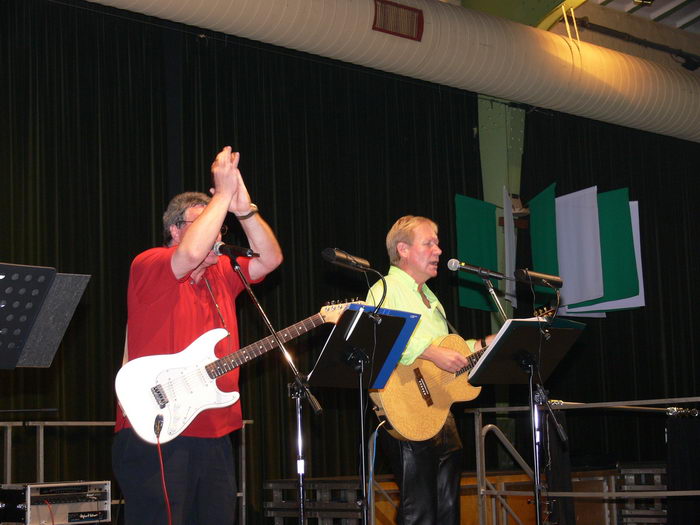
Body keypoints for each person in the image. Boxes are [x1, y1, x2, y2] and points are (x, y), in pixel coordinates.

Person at [112, 146, 283, 525]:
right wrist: (221, 194)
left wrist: (243, 209)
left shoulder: (223, 273)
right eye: (206, 222)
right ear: (175, 229)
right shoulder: (151, 262)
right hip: (156, 427)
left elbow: (270, 259)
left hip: (214, 428)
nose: (217, 234)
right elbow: (189, 254)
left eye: (220, 225)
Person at [366, 215, 492, 525]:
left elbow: (452, 354)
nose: (438, 250)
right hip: (406, 409)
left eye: (437, 242)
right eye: (429, 243)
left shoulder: (432, 300)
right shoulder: (386, 288)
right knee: (419, 511)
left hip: (439, 413)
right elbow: (376, 337)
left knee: (448, 509)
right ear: (404, 250)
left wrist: (487, 343)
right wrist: (430, 351)